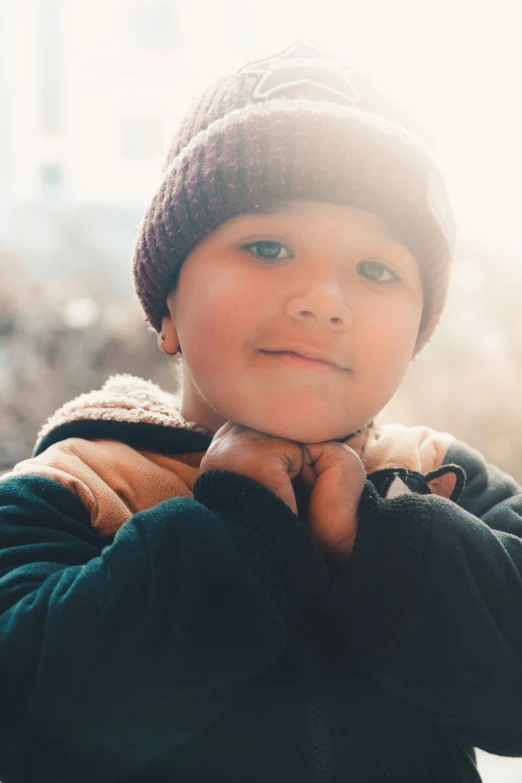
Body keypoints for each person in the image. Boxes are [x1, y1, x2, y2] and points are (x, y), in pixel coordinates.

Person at [1, 39, 521, 783]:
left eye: (376, 269)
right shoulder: (78, 487)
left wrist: (385, 549)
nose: (323, 299)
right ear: (168, 304)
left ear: (415, 339)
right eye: (269, 247)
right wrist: (234, 538)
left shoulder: (439, 479)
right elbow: (23, 723)